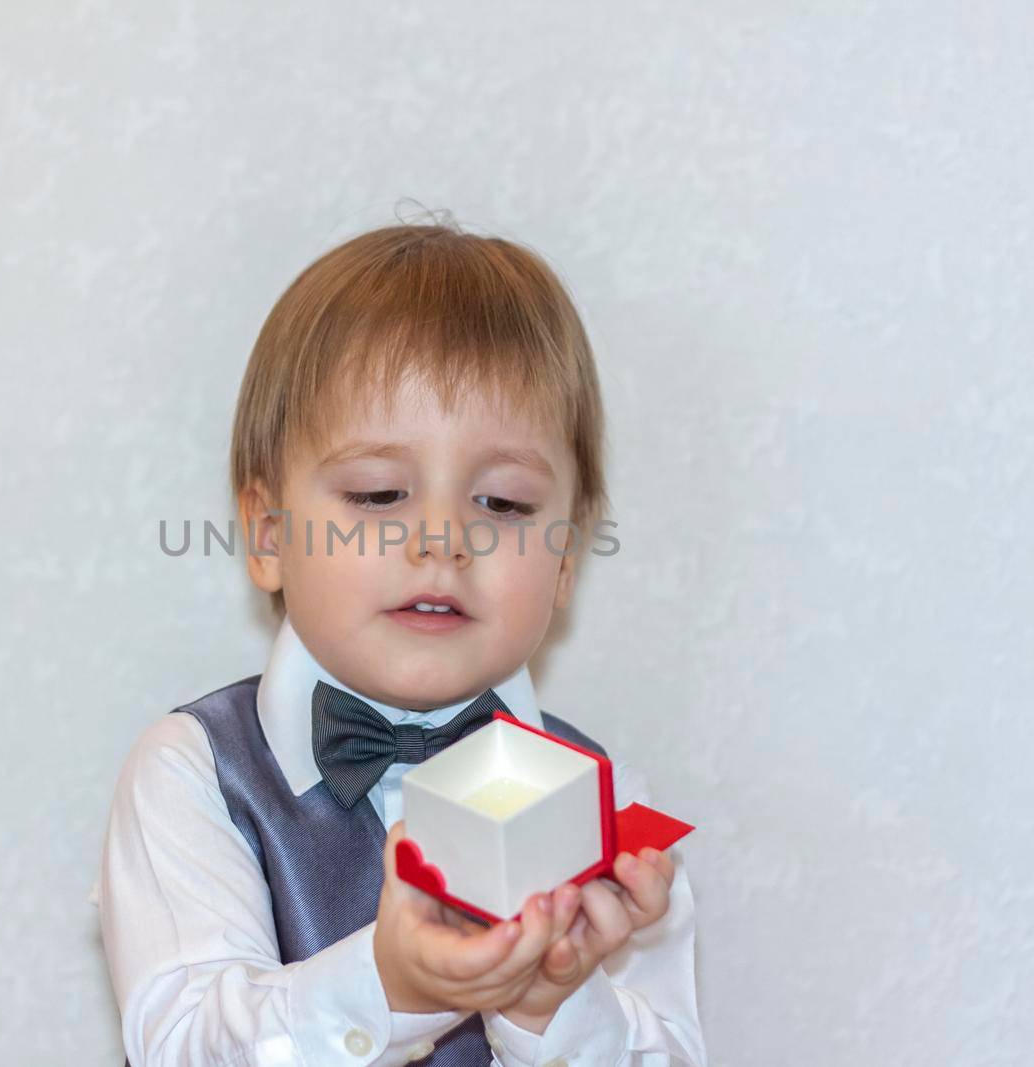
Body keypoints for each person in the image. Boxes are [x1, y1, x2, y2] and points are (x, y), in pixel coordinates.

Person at [94, 219, 706, 1066]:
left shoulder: (608, 811)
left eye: (504, 504)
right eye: (380, 493)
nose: (443, 541)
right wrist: (394, 986)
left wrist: (549, 1007)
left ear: (566, 558)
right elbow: (186, 1045)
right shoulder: (195, 773)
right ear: (268, 536)